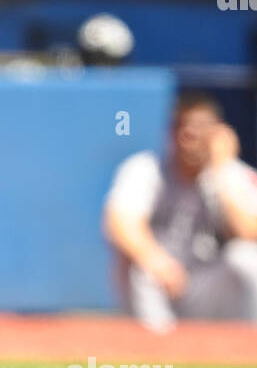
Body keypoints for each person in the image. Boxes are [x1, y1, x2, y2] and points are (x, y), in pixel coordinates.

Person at [104, 93, 257, 331]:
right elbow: (119, 223)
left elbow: (247, 230)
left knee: (247, 260)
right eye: (183, 126)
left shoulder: (233, 174)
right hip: (162, 281)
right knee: (141, 267)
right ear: (170, 132)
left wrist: (222, 171)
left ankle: (245, 350)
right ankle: (153, 349)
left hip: (210, 284)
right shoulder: (145, 168)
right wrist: (154, 259)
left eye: (200, 127)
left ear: (218, 133)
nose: (190, 135)